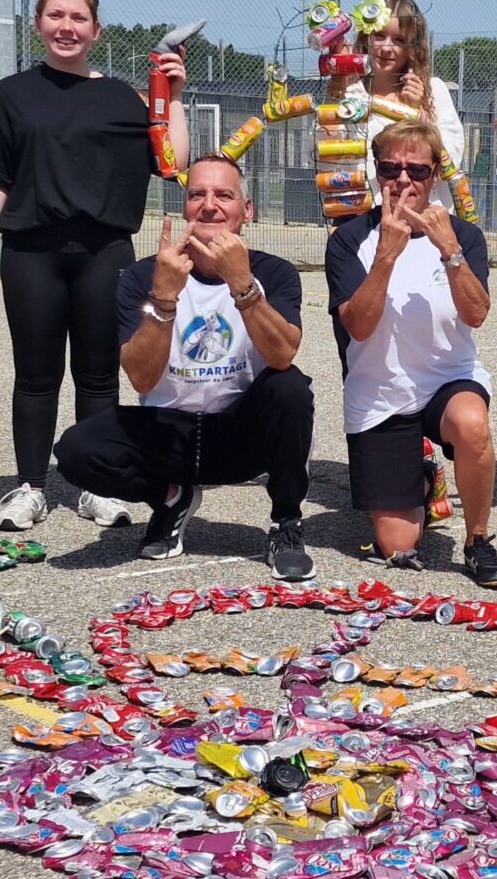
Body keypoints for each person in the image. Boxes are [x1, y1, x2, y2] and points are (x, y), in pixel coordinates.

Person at [0, 0, 190, 532]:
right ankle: (31, 487)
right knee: (35, 375)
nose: (66, 27)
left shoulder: (120, 99)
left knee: (97, 376)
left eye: (78, 18)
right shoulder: (13, 95)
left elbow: (171, 160)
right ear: (38, 24)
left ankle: (96, 485)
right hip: (32, 251)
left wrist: (175, 98)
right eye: (55, 16)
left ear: (96, 29)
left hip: (103, 251)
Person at [51, 157, 316, 578]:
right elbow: (140, 376)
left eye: (223, 195)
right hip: (168, 432)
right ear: (185, 207)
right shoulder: (144, 276)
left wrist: (241, 284)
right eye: (198, 195)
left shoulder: (274, 273)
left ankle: (286, 523)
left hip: (239, 435)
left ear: (247, 210)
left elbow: (283, 354)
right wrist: (164, 299)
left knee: (291, 388)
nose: (209, 205)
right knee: (76, 451)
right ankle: (172, 498)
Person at [325, 121, 497, 588]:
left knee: (472, 423)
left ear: (434, 177)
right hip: (380, 393)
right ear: (376, 172)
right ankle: (425, 476)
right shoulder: (350, 240)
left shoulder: (463, 236)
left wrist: (448, 250)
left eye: (417, 170)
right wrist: (386, 256)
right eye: (391, 168)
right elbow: (358, 326)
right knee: (399, 546)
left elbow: (476, 315)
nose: (403, 180)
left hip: (447, 380)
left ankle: (478, 540)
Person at [324, 0, 467, 210]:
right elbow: (324, 156)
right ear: (366, 37)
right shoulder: (351, 94)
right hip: (362, 220)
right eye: (379, 35)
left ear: (413, 48)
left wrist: (418, 115)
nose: (386, 48)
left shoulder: (434, 91)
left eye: (399, 40)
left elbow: (451, 163)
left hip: (423, 221)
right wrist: (338, 81)